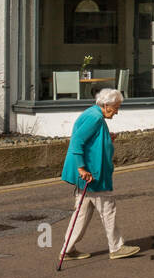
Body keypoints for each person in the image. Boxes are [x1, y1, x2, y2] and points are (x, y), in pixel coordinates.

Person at [59, 87, 139, 261]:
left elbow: (89, 141)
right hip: (93, 175)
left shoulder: (93, 114)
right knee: (108, 209)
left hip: (89, 174)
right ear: (106, 105)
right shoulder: (95, 118)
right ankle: (116, 247)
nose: (117, 112)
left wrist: (106, 138)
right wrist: (81, 168)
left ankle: (67, 249)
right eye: (116, 107)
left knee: (82, 212)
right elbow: (77, 142)